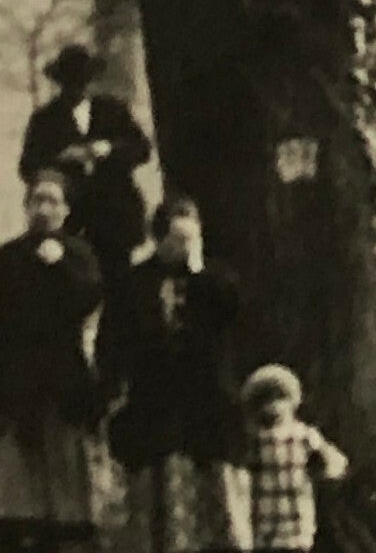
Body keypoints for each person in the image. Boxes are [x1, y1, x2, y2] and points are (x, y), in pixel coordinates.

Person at [0, 169, 106, 553]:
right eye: (37, 201)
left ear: (66, 211)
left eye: (52, 201)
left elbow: (90, 300)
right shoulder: (7, 258)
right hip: (15, 383)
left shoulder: (80, 256)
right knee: (17, 487)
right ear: (26, 207)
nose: (44, 209)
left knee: (65, 483)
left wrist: (60, 264)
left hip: (63, 383)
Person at [105, 198, 250, 553]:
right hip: (156, 408)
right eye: (175, 239)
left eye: (190, 238)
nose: (183, 248)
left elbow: (234, 316)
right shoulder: (136, 283)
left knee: (220, 509)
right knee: (161, 512)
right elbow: (114, 342)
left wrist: (199, 269)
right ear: (158, 239)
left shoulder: (217, 282)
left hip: (209, 410)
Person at [19, 43, 153, 291]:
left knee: (118, 287)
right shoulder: (46, 119)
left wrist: (109, 149)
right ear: (61, 83)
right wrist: (62, 161)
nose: (77, 89)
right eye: (71, 82)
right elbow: (28, 167)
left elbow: (142, 150)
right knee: (67, 285)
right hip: (69, 221)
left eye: (82, 82)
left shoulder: (113, 111)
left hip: (114, 219)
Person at [239, 367, 348, 553]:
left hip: (288, 525)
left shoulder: (302, 435)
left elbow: (335, 464)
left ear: (292, 402)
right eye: (267, 401)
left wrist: (322, 467)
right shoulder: (257, 439)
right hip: (271, 525)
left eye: (279, 399)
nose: (274, 406)